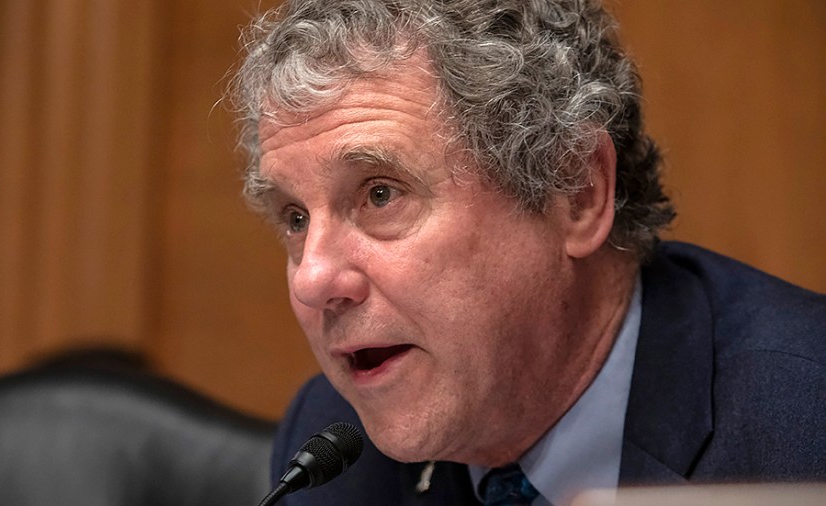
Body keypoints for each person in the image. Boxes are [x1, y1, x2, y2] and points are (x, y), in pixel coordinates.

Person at [230, 0, 826, 504]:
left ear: (576, 193)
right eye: (296, 217)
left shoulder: (804, 428)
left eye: (380, 194)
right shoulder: (331, 455)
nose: (312, 279)